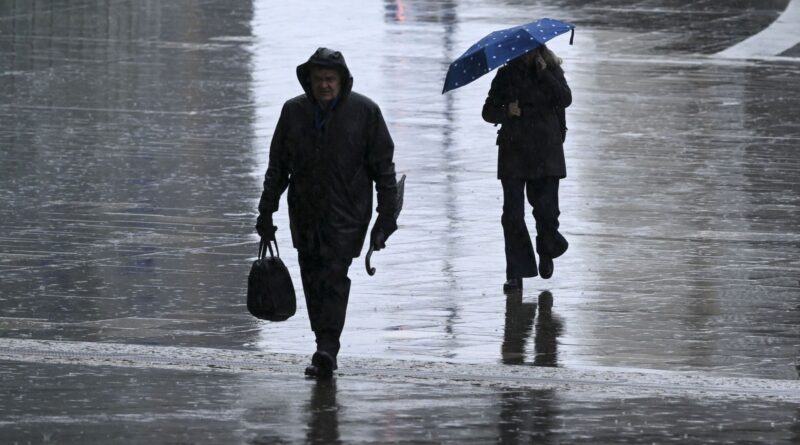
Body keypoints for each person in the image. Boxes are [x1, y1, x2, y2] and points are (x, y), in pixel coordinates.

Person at [256, 47, 399, 378]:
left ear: (342, 81)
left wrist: (386, 217)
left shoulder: (365, 112)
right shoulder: (293, 112)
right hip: (304, 212)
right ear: (310, 81)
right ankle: (323, 341)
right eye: (319, 79)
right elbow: (277, 167)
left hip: (348, 214)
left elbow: (384, 170)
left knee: (334, 276)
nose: (324, 85)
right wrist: (266, 211)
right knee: (312, 278)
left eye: (330, 79)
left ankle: (327, 348)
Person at [481, 44, 572, 292]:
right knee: (512, 215)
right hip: (514, 151)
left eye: (532, 51)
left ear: (540, 50)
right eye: (523, 51)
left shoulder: (552, 71)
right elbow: (488, 112)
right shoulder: (505, 75)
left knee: (547, 212)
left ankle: (547, 247)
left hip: (546, 150)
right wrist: (506, 111)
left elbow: (565, 99)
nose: (527, 54)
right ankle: (516, 272)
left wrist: (544, 73)